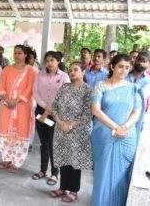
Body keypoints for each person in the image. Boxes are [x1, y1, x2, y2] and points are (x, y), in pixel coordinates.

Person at [91, 54, 142, 206]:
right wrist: (115, 127)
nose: (124, 70)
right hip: (104, 134)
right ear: (112, 67)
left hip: (126, 136)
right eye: (120, 67)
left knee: (121, 177)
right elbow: (95, 110)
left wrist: (124, 127)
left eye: (127, 68)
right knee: (103, 174)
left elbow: (137, 111)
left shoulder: (133, 88)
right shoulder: (101, 85)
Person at [49, 62, 93, 203]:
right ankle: (62, 188)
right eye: (70, 70)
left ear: (83, 72)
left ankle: (73, 190)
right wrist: (61, 122)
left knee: (75, 161)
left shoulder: (88, 90)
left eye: (76, 69)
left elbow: (87, 113)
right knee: (63, 159)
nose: (72, 72)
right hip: (61, 130)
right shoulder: (64, 87)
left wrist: (70, 125)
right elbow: (54, 106)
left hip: (77, 132)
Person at [32, 51, 70, 185]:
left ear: (58, 61)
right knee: (44, 142)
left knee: (54, 143)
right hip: (40, 112)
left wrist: (50, 109)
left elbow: (65, 96)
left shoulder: (64, 76)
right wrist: (45, 107)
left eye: (52, 60)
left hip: (56, 114)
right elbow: (35, 92)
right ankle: (42, 170)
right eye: (47, 60)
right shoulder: (39, 74)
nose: (49, 63)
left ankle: (55, 173)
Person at [0, 45, 36, 172]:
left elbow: (30, 88)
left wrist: (16, 101)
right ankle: (7, 157)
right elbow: (1, 86)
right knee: (5, 131)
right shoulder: (7, 69)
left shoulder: (31, 71)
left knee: (20, 132)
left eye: (19, 53)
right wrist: (7, 99)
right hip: (6, 106)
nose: (16, 55)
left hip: (22, 107)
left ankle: (16, 162)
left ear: (25, 55)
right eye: (15, 53)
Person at [126, 51, 150, 140]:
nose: (140, 63)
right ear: (135, 59)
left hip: (136, 118)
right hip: (118, 115)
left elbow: (142, 96)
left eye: (144, 61)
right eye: (139, 59)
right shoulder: (124, 74)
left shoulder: (148, 81)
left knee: (131, 146)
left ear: (149, 64)